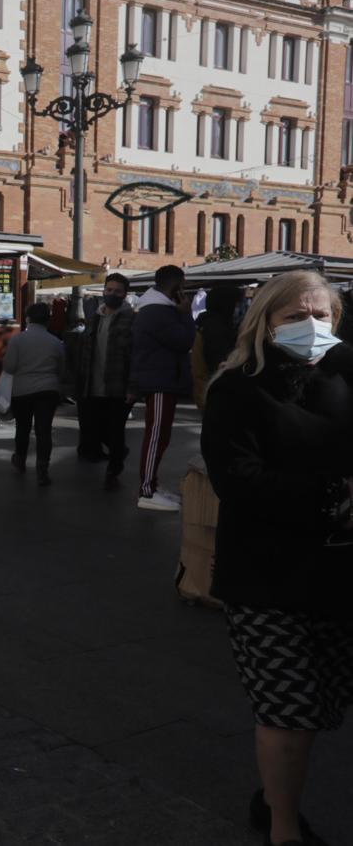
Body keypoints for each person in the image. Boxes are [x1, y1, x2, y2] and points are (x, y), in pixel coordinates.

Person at [200, 270, 353, 846]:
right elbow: (237, 479)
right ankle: (283, 827)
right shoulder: (238, 387)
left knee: (317, 705)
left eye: (322, 316)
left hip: (339, 572)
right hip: (267, 575)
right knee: (288, 709)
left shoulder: (347, 372)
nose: (312, 327)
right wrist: (335, 496)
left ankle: (272, 797)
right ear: (264, 322)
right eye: (296, 317)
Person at [130, 264, 195, 511]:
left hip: (161, 377)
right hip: (159, 379)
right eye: (183, 285)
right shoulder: (158, 312)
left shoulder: (154, 309)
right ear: (175, 286)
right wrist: (186, 314)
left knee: (159, 434)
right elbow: (183, 340)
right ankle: (147, 490)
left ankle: (151, 486)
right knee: (157, 435)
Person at [74, 273, 136, 486]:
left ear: (125, 294)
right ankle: (119, 454)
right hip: (92, 385)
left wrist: (132, 387)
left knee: (116, 430)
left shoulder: (131, 319)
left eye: (117, 291)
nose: (112, 294)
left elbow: (135, 355)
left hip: (118, 385)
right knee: (94, 429)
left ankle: (113, 470)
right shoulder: (94, 318)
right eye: (109, 290)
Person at [4, 302, 66, 486]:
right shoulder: (55, 342)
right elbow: (61, 369)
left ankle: (20, 460)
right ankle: (42, 470)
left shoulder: (17, 340)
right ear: (48, 320)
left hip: (22, 391)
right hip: (48, 390)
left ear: (28, 318)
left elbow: (9, 366)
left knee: (22, 428)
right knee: (44, 430)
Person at [192, 285, 243, 410]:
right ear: (227, 304)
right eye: (236, 304)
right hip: (215, 391)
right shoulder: (216, 329)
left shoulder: (207, 322)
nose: (237, 308)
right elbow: (218, 362)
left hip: (207, 389)